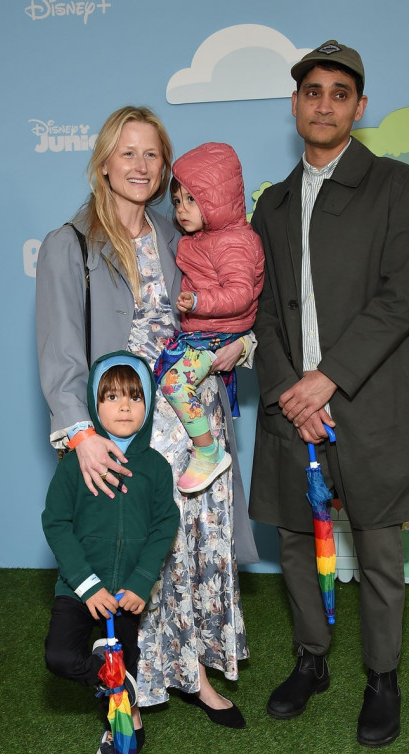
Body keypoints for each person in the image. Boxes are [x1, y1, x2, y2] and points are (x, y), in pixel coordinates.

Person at [250, 40, 409, 747]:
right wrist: (290, 391)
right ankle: (311, 659)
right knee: (291, 538)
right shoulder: (272, 204)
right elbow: (260, 312)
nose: (324, 103)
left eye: (340, 93)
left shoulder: (394, 184)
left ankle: (382, 676)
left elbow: (406, 293)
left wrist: (326, 380)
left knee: (377, 549)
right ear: (295, 103)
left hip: (366, 400)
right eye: (312, 91)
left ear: (359, 107)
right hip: (293, 405)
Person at [36, 106, 257, 733]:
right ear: (104, 160)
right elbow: (59, 355)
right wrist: (81, 435)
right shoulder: (70, 244)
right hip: (123, 432)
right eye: (127, 152)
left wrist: (243, 345)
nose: (140, 165)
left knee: (186, 551)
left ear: (166, 167)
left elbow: (233, 303)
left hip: (193, 420)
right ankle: (132, 680)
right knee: (135, 554)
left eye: (152, 154)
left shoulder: (179, 234)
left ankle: (196, 672)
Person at [42, 351, 180, 754]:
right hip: (79, 588)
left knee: (127, 678)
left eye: (135, 397)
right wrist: (86, 585)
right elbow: (56, 522)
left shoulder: (156, 467)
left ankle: (118, 736)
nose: (124, 406)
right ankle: (109, 679)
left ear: (150, 404)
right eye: (112, 396)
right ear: (93, 405)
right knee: (62, 657)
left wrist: (141, 580)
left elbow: (165, 525)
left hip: (125, 595)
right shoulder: (74, 463)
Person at [153, 142, 264, 494]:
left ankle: (208, 452)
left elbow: (241, 293)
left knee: (174, 384)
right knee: (165, 380)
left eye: (192, 199)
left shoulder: (233, 242)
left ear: (216, 201)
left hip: (219, 336)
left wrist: (200, 301)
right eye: (177, 201)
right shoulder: (203, 239)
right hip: (204, 332)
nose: (182, 210)